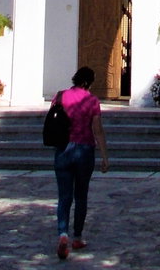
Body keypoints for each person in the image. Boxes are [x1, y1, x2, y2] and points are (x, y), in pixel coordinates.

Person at [52, 65, 109, 259]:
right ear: (88, 82)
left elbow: (53, 120)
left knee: (64, 197)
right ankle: (77, 236)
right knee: (81, 196)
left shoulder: (60, 96)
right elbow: (98, 130)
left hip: (63, 150)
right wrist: (104, 156)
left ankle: (62, 234)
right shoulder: (92, 101)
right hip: (84, 150)